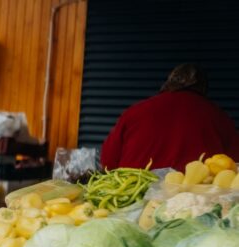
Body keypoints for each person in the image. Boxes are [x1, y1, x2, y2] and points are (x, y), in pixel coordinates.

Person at [101, 64, 239, 170]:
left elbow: (108, 162)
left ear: (170, 82)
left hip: (133, 199)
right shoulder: (220, 118)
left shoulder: (135, 111)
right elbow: (234, 166)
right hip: (193, 202)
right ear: (203, 88)